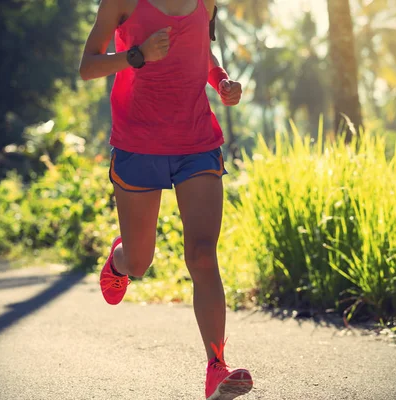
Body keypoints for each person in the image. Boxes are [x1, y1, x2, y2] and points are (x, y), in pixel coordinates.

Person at [79, 0, 253, 398]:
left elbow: (201, 54)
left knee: (203, 254)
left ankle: (215, 367)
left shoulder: (205, 3)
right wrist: (136, 55)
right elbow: (88, 66)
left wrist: (221, 81)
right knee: (141, 262)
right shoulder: (121, 3)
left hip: (197, 142)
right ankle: (121, 258)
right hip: (138, 144)